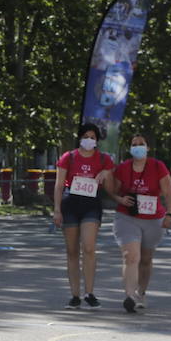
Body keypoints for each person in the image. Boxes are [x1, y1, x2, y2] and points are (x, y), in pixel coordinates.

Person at [105, 132, 171, 313]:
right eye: (134, 144)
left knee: (146, 258)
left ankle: (141, 292)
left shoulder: (158, 166)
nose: (137, 147)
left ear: (148, 147)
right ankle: (129, 296)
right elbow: (113, 191)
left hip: (153, 218)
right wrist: (120, 200)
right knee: (131, 256)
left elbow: (168, 192)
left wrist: (170, 214)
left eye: (141, 143)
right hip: (127, 217)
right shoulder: (123, 168)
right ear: (130, 148)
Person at [52, 123, 114, 308]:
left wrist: (106, 173)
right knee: (72, 251)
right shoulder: (68, 157)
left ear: (97, 140)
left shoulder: (104, 159)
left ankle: (90, 292)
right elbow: (59, 184)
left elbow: (111, 186)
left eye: (93, 137)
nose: (89, 140)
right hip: (70, 203)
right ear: (79, 138)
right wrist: (57, 209)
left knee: (89, 247)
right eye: (86, 136)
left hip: (91, 204)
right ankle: (75, 295)